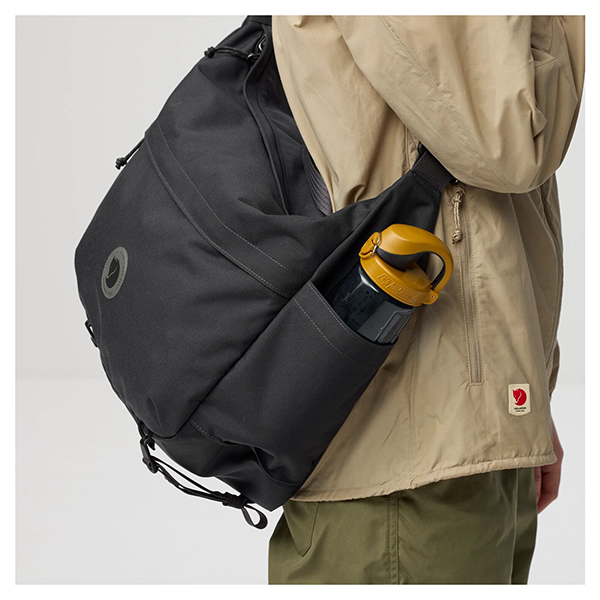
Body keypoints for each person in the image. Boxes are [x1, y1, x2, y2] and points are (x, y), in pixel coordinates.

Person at [268, 15, 584, 584]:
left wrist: (526, 397)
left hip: (453, 426)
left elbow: (488, 192)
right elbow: (510, 138)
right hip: (405, 469)